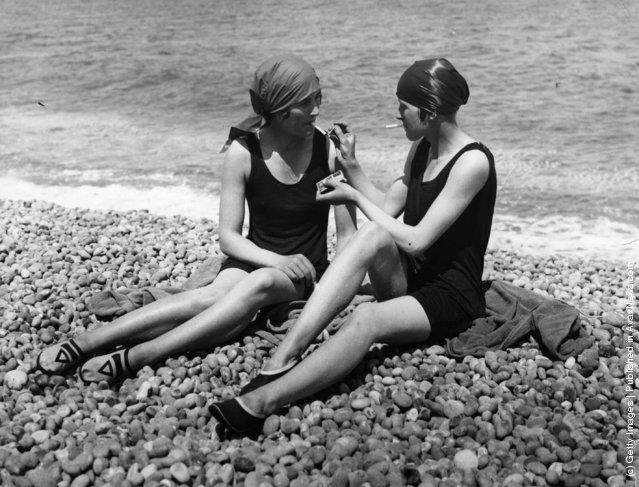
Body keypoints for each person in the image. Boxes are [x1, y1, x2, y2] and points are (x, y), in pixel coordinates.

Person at [209, 58, 497, 434]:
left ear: (428, 113)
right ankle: (283, 358)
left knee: (367, 318)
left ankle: (262, 402)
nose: (398, 115)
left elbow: (415, 240)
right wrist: (351, 166)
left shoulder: (472, 162)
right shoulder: (423, 149)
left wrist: (354, 199)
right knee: (371, 235)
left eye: (404, 108)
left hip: (450, 296)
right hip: (413, 279)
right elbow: (387, 206)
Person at [36, 55, 356, 383]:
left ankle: (139, 355)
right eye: (307, 102)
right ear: (280, 108)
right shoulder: (243, 152)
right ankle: (87, 342)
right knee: (211, 297)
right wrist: (276, 259)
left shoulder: (328, 151)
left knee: (261, 283)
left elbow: (347, 236)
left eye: (319, 97)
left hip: (300, 272)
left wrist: (333, 288)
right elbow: (228, 238)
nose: (317, 110)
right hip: (257, 259)